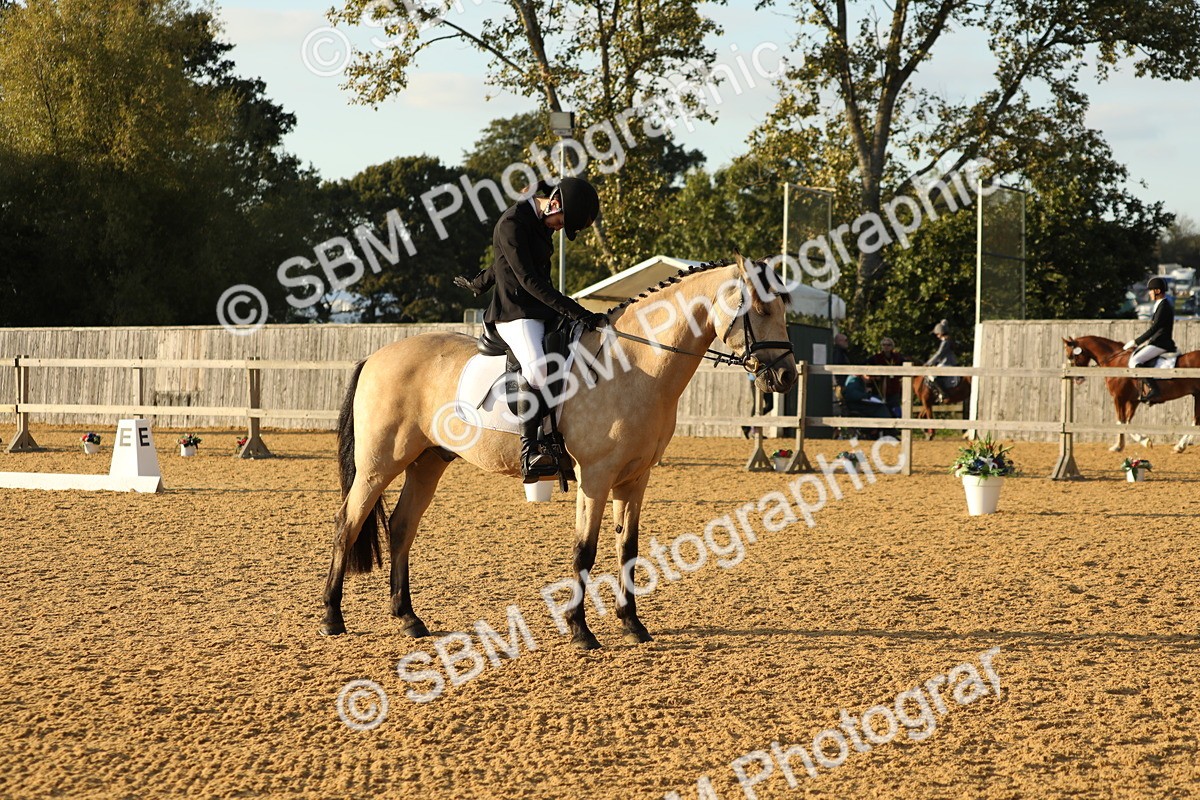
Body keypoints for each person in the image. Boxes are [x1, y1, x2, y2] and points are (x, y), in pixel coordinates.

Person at [455, 177, 608, 481]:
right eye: (561, 222)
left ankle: (556, 433)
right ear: (555, 204)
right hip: (516, 313)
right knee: (538, 370)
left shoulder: (540, 222)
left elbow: (502, 265)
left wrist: (479, 283)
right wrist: (577, 311)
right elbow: (528, 280)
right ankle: (531, 448)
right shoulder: (512, 223)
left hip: (541, 310)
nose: (559, 228)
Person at [1125, 276, 1176, 402]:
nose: (1149, 293)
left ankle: (1154, 389)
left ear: (1157, 291)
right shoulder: (1160, 305)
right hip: (1157, 341)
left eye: (1151, 290)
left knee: (1135, 360)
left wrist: (1136, 342)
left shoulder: (1163, 306)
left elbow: (1155, 328)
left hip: (1161, 343)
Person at [866, 337, 910, 417]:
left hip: (894, 387)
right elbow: (866, 367)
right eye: (884, 345)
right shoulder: (876, 358)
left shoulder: (898, 357)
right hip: (880, 388)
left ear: (892, 346)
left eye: (888, 345)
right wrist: (874, 376)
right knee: (881, 408)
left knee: (895, 408)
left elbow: (906, 367)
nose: (886, 347)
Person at [842, 373, 892, 438]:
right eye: (869, 376)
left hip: (858, 403)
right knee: (880, 408)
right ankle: (882, 429)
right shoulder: (854, 381)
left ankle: (879, 430)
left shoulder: (857, 381)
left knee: (880, 406)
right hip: (856, 405)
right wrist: (867, 397)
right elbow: (852, 395)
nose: (870, 379)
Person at [925, 319, 959, 402]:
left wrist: (928, 363)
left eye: (937, 334)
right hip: (947, 362)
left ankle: (943, 393)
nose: (937, 336)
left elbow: (939, 354)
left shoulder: (945, 342)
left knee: (931, 375)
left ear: (940, 333)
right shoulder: (948, 340)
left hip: (947, 363)